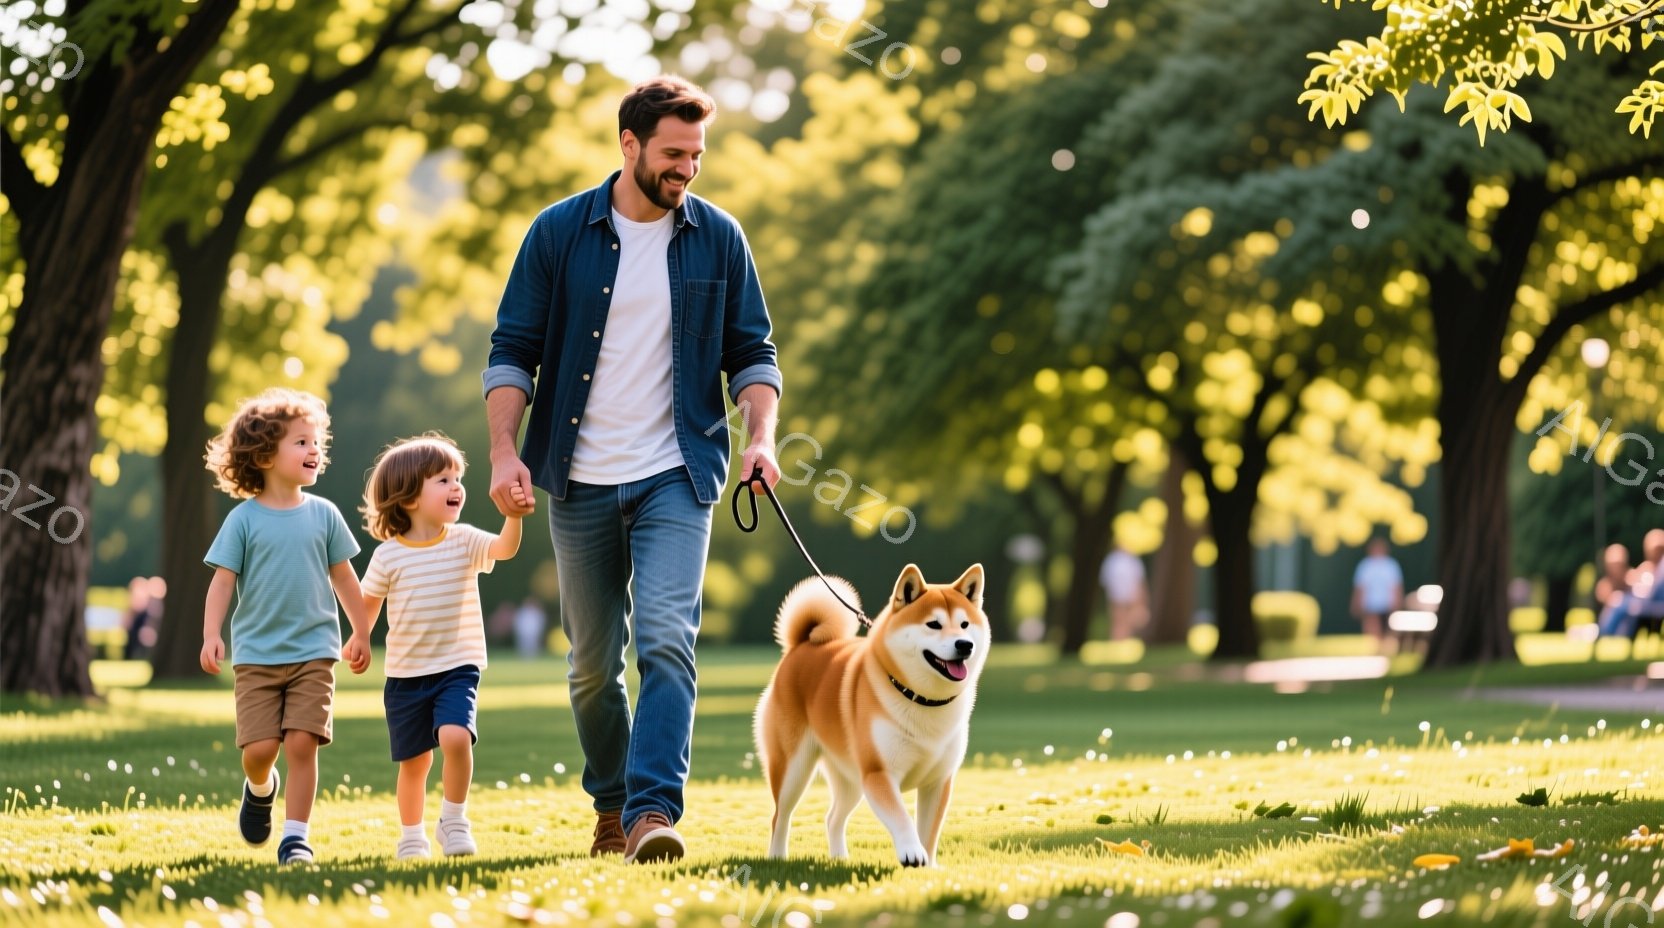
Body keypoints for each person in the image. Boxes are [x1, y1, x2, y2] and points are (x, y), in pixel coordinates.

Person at [483, 75, 783, 863]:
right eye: (674, 153)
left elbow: (753, 353)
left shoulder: (719, 237)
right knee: (591, 667)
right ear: (630, 144)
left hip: (676, 474)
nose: (688, 168)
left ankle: (652, 813)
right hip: (577, 477)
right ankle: (612, 805)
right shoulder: (558, 232)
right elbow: (512, 350)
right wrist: (505, 452)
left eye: (697, 154)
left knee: (666, 639)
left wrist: (761, 438)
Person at [199, 388, 370, 865]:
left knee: (301, 742)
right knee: (260, 750)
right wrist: (211, 635)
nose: (314, 450)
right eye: (301, 442)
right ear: (264, 455)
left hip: (315, 652)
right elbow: (221, 583)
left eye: (316, 442)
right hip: (256, 656)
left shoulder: (325, 515)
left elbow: (345, 578)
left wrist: (360, 631)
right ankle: (260, 787)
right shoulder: (243, 520)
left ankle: (296, 837)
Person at [355, 434, 524, 859]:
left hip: (457, 667)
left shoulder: (463, 540)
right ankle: (412, 836)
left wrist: (513, 516)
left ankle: (454, 820)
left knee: (456, 737)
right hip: (405, 675)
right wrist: (359, 638)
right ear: (409, 496)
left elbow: (504, 549)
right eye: (443, 480)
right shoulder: (388, 556)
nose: (456, 487)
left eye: (457, 478)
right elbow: (367, 605)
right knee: (415, 763)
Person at [1350, 537, 1404, 642]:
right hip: (1371, 603)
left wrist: (1397, 602)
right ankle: (1374, 646)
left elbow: (1396, 586)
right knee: (1372, 628)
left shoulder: (1391, 565)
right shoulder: (1365, 565)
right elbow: (1360, 587)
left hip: (1387, 603)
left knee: (1388, 629)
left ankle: (1385, 646)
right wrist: (1357, 603)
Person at [1099, 542, 1148, 641]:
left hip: (1131, 595)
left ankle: (1125, 639)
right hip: (1116, 596)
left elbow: (1139, 580)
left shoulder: (1132, 559)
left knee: (1129, 620)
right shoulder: (1111, 560)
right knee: (1118, 619)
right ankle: (1117, 640)